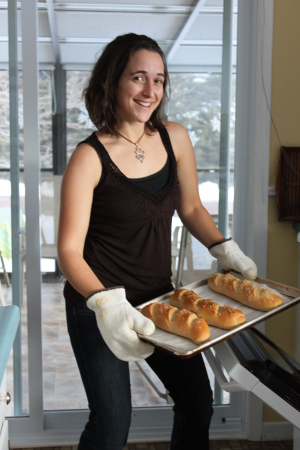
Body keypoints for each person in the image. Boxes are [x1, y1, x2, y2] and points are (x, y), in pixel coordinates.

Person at [57, 33, 257, 450]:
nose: (150, 91)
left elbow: (192, 208)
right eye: (138, 78)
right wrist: (107, 304)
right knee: (112, 425)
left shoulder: (174, 137)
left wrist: (225, 249)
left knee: (197, 403)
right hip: (97, 306)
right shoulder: (89, 157)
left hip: (160, 298)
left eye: (160, 80)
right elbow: (69, 252)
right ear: (113, 81)